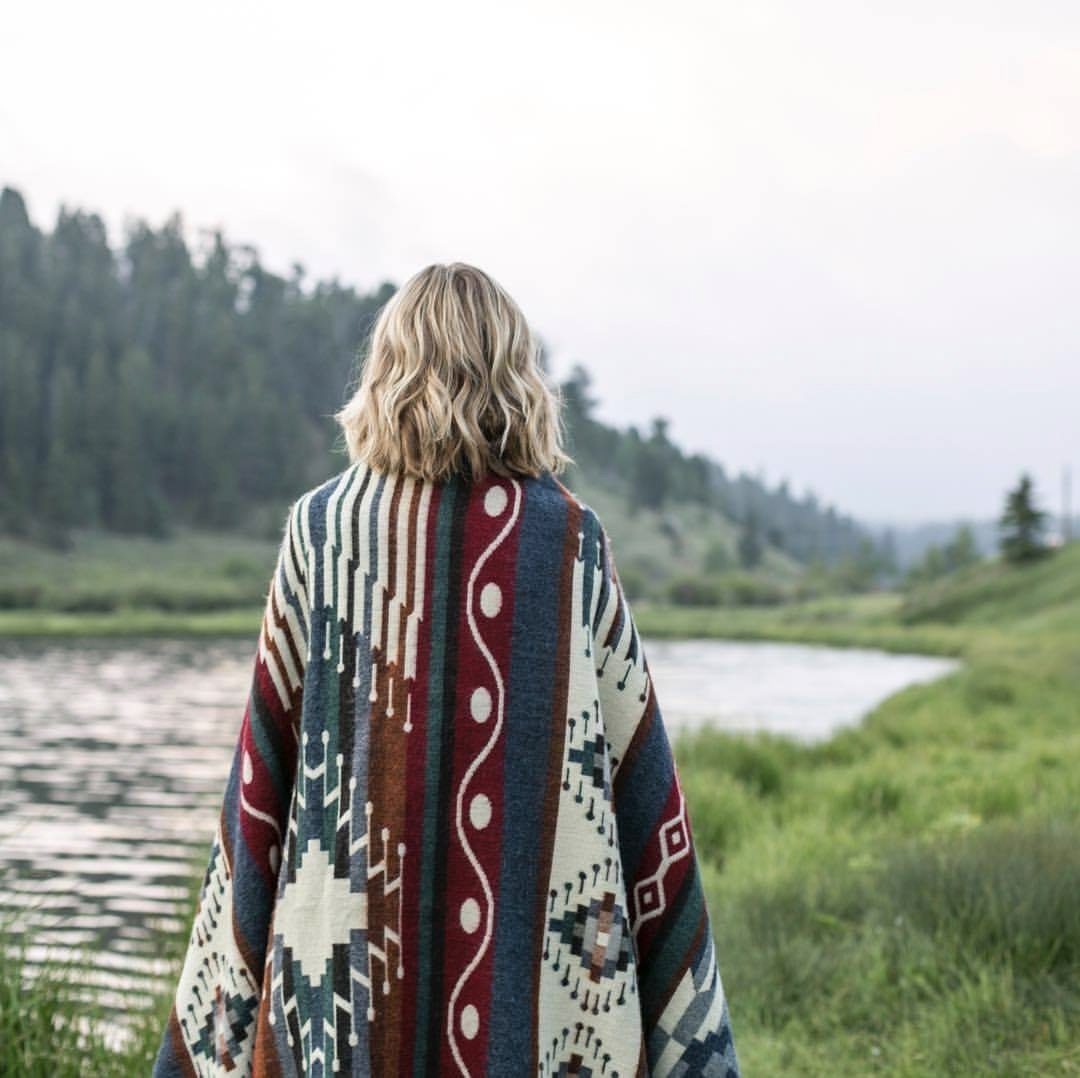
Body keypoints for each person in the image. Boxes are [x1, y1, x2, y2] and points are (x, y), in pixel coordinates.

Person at [152, 262, 739, 1077]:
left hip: (339, 995)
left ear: (387, 368)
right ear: (515, 376)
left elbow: (263, 781)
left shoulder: (320, 532)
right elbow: (639, 780)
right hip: (536, 994)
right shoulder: (567, 539)